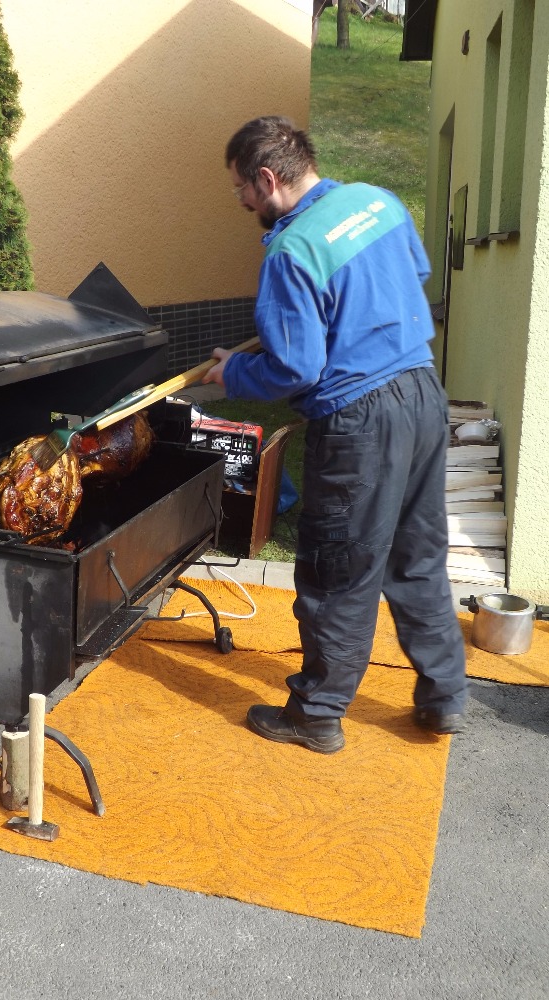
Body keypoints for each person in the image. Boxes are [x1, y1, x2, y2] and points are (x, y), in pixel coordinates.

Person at [203, 115, 467, 754]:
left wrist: (232, 371)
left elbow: (296, 367)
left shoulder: (291, 250)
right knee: (418, 553)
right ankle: (444, 697)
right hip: (423, 396)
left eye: (240, 187)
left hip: (360, 420)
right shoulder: (378, 202)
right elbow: (413, 274)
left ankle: (316, 714)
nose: (240, 200)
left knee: (338, 569)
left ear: (268, 179)